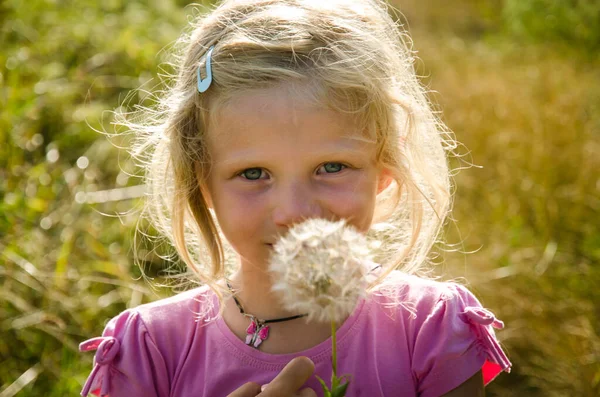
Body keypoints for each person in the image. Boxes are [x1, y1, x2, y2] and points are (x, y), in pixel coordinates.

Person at [79, 0, 511, 396]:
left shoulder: (430, 330)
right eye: (253, 174)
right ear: (202, 184)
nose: (295, 212)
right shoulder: (151, 350)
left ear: (383, 171)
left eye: (331, 167)